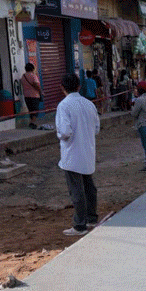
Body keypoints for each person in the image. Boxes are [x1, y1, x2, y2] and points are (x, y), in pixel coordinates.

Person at [56, 72, 100, 236]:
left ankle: (80, 225)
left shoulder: (64, 105)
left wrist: (59, 135)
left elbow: (65, 132)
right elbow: (96, 128)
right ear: (79, 86)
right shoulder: (89, 104)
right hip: (87, 151)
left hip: (72, 154)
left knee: (77, 190)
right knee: (89, 187)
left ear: (62, 87)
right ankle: (91, 217)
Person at [21, 63, 43, 129]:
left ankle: (32, 122)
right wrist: (41, 91)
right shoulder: (33, 76)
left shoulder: (23, 76)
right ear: (32, 68)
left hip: (26, 96)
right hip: (34, 96)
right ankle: (32, 123)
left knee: (31, 110)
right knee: (35, 110)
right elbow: (36, 84)